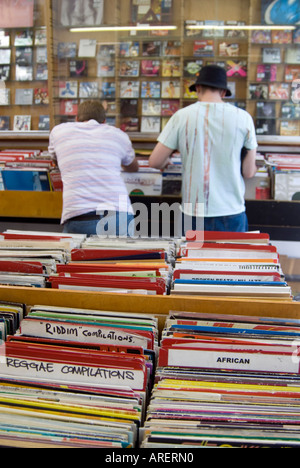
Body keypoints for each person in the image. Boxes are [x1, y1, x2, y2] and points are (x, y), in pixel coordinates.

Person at [148, 64, 258, 234]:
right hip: (231, 210)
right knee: (231, 260)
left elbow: (155, 161)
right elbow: (249, 172)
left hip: (193, 212)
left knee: (191, 260)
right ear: (223, 92)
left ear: (198, 88)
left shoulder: (182, 116)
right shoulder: (243, 118)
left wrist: (167, 159)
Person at [48, 100, 139, 237]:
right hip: (118, 213)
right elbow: (133, 166)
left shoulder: (58, 132)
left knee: (74, 255)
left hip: (78, 215)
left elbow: (56, 160)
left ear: (77, 119)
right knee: (122, 257)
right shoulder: (118, 135)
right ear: (104, 121)